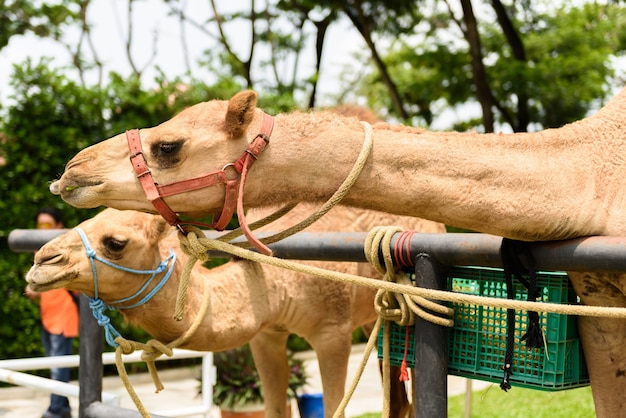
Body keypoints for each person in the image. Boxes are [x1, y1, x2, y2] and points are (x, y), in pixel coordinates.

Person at [24, 207, 79, 418]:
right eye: (39, 225)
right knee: (55, 363)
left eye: (46, 225)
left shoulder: (67, 246)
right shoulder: (41, 248)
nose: (41, 230)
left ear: (58, 226)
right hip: (48, 316)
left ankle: (55, 410)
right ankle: (63, 407)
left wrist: (36, 286)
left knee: (58, 366)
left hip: (64, 315)